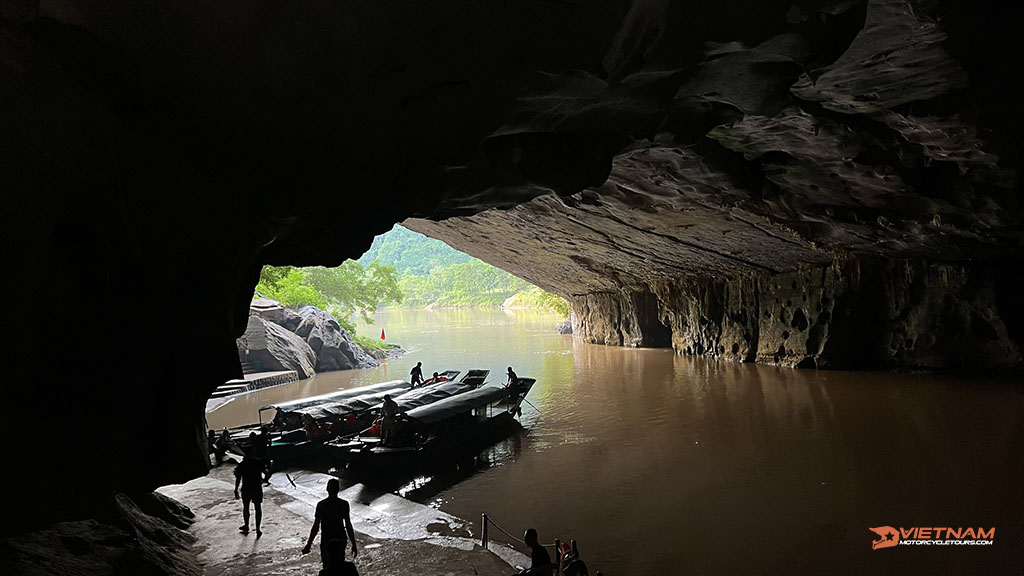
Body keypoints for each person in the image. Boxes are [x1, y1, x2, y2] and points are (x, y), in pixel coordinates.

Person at [303, 478, 358, 571]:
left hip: (326, 538)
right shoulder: (344, 504)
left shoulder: (321, 505)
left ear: (327, 489)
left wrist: (309, 544)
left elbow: (316, 526)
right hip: (340, 537)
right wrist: (353, 543)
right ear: (338, 490)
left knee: (327, 566)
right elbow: (348, 524)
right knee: (339, 565)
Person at [233, 447, 266, 537]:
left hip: (246, 488)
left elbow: (238, 478)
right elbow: (266, 472)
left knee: (246, 508)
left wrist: (236, 489)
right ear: (253, 452)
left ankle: (247, 525)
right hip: (257, 488)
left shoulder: (242, 464)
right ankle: (258, 529)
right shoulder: (258, 462)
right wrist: (263, 479)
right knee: (258, 508)